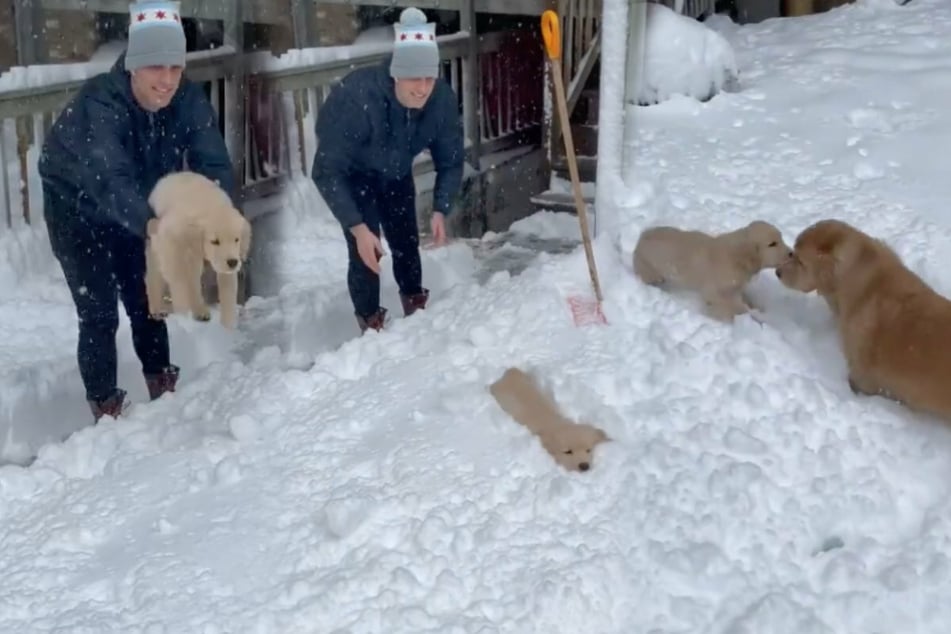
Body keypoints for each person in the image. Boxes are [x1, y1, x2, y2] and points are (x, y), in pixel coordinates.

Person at [37, 0, 236, 422]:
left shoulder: (186, 99)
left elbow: (212, 163)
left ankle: (161, 384)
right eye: (155, 68)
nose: (167, 81)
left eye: (175, 68)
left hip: (138, 200)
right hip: (76, 208)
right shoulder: (100, 104)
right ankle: (106, 408)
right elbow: (110, 180)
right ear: (133, 66)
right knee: (100, 312)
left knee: (148, 295)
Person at [312, 6, 466, 333]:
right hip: (354, 175)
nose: (422, 88)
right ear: (396, 73)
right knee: (367, 253)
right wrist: (357, 227)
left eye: (429, 77)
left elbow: (451, 159)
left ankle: (414, 302)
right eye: (414, 78)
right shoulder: (357, 99)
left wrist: (441, 207)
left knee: (406, 241)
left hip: (395, 173)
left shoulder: (439, 101)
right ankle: (370, 322)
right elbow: (326, 170)